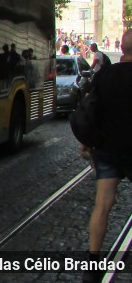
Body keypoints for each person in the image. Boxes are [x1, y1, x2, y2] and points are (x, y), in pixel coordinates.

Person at [82, 29, 132, 282]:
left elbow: (90, 109)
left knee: (102, 205)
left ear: (122, 48)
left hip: (107, 149)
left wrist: (87, 143)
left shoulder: (105, 75)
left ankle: (92, 264)